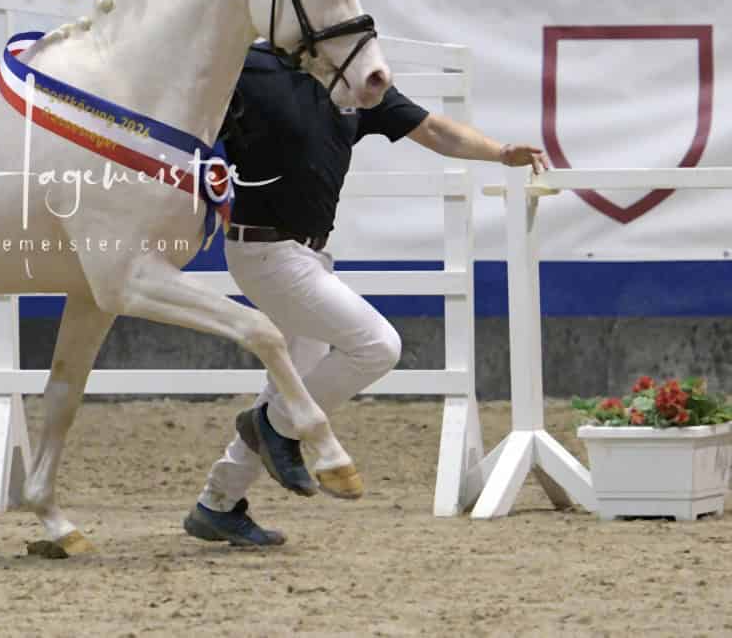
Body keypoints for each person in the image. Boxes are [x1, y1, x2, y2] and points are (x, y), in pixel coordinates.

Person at [182, 41, 548, 548]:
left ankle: (218, 503)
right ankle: (273, 426)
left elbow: (434, 130)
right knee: (377, 345)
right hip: (266, 252)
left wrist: (500, 152)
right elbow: (190, 114)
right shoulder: (253, 66)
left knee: (296, 380)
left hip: (307, 255)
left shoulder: (358, 81)